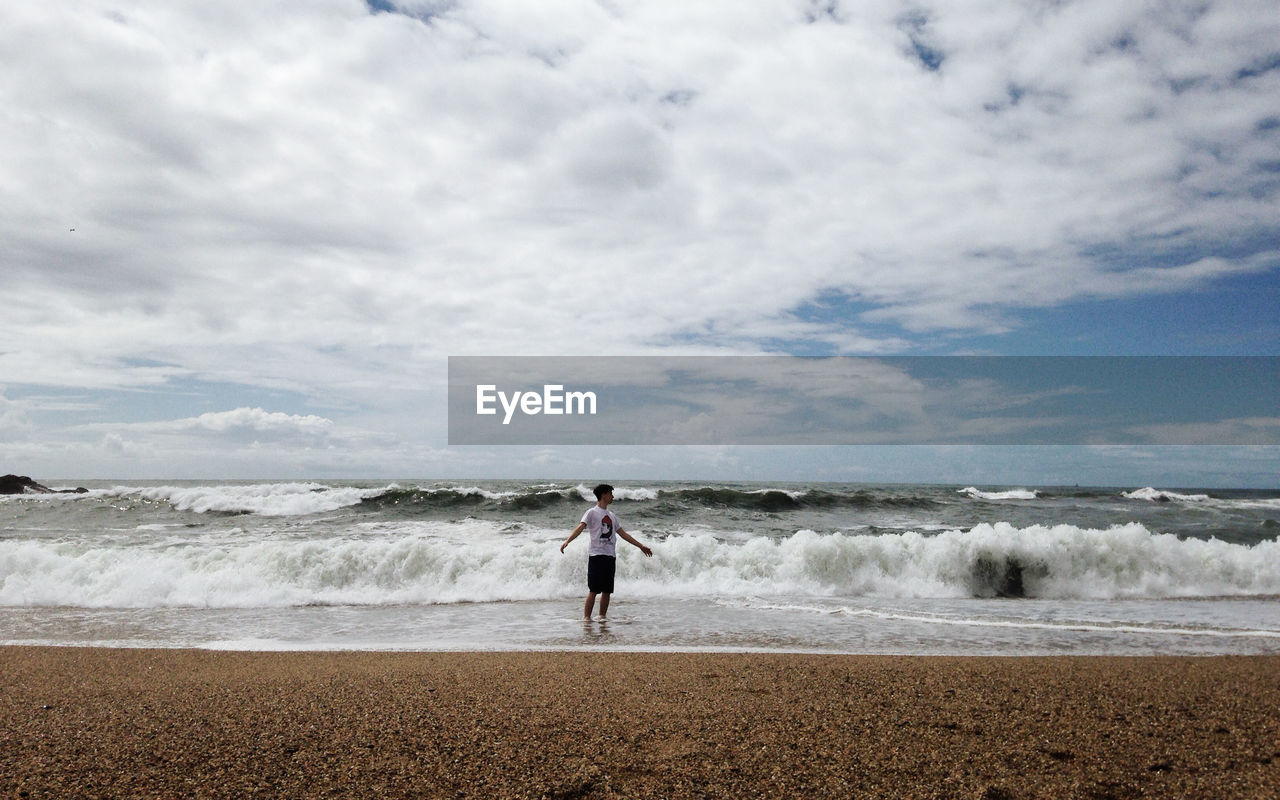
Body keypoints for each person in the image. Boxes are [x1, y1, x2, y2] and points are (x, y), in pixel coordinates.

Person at [560, 483, 652, 621]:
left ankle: (602, 617)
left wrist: (641, 546)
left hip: (610, 556)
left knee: (607, 590)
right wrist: (568, 541)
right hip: (596, 555)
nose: (613, 496)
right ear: (603, 495)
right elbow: (580, 527)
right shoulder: (591, 512)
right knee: (593, 590)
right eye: (610, 494)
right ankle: (586, 618)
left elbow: (623, 534)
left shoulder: (612, 516)